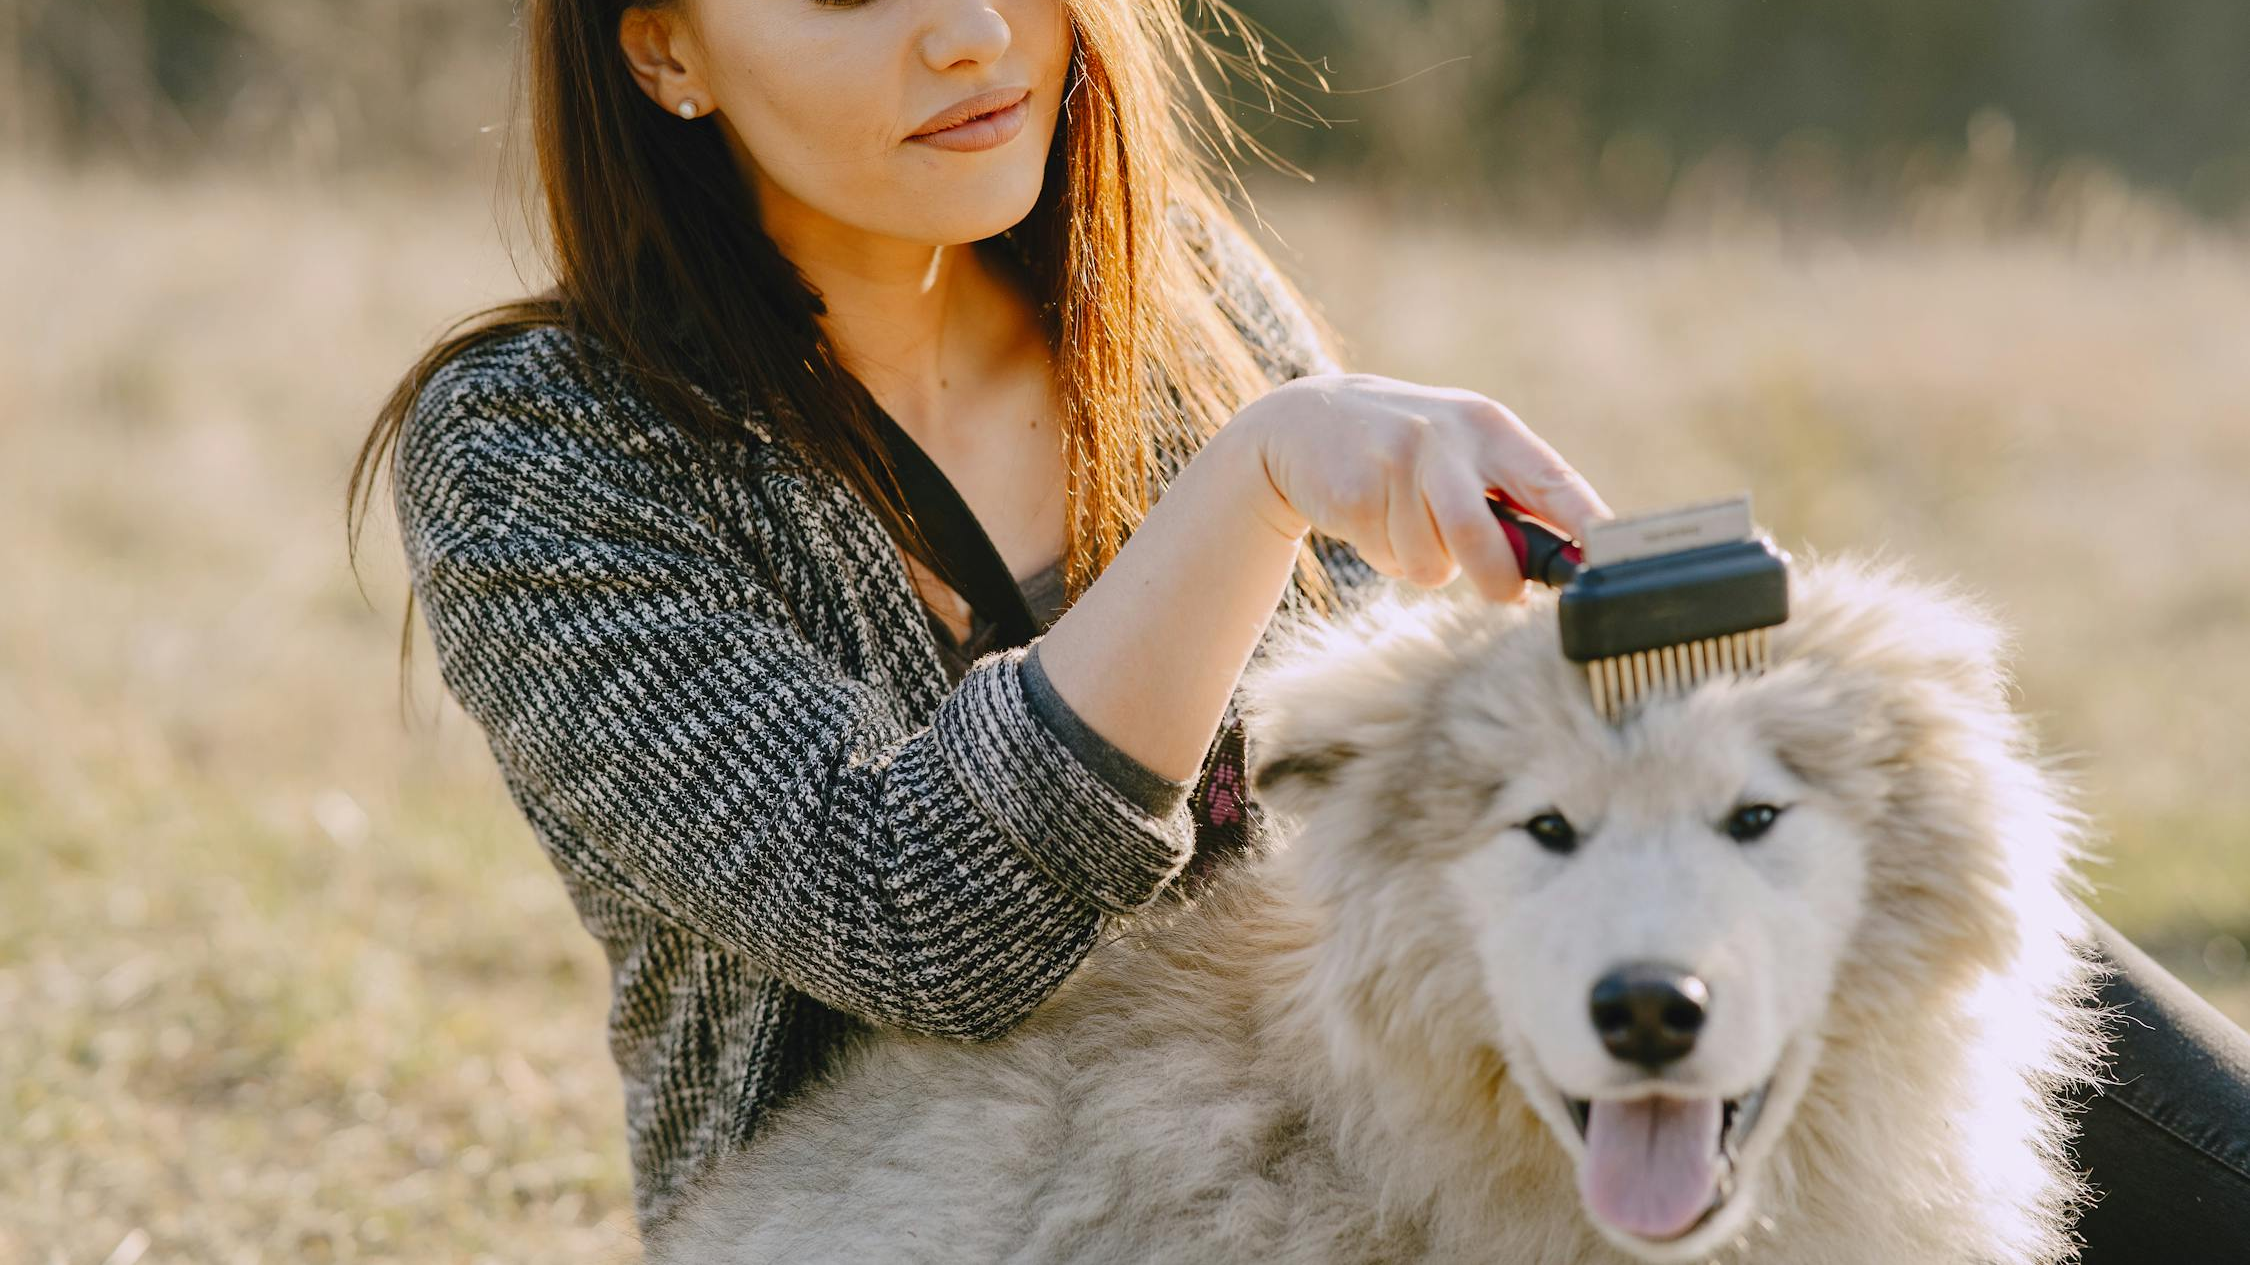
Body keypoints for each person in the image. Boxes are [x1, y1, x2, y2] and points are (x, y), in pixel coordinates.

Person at [345, 0, 2250, 1253]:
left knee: (1919, 944)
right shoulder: (543, 445)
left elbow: (1382, 793)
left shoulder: (1162, 292)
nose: (970, 31)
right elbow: (910, 919)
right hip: (962, 1193)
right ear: (665, 49)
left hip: (1367, 1078)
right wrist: (1252, 484)